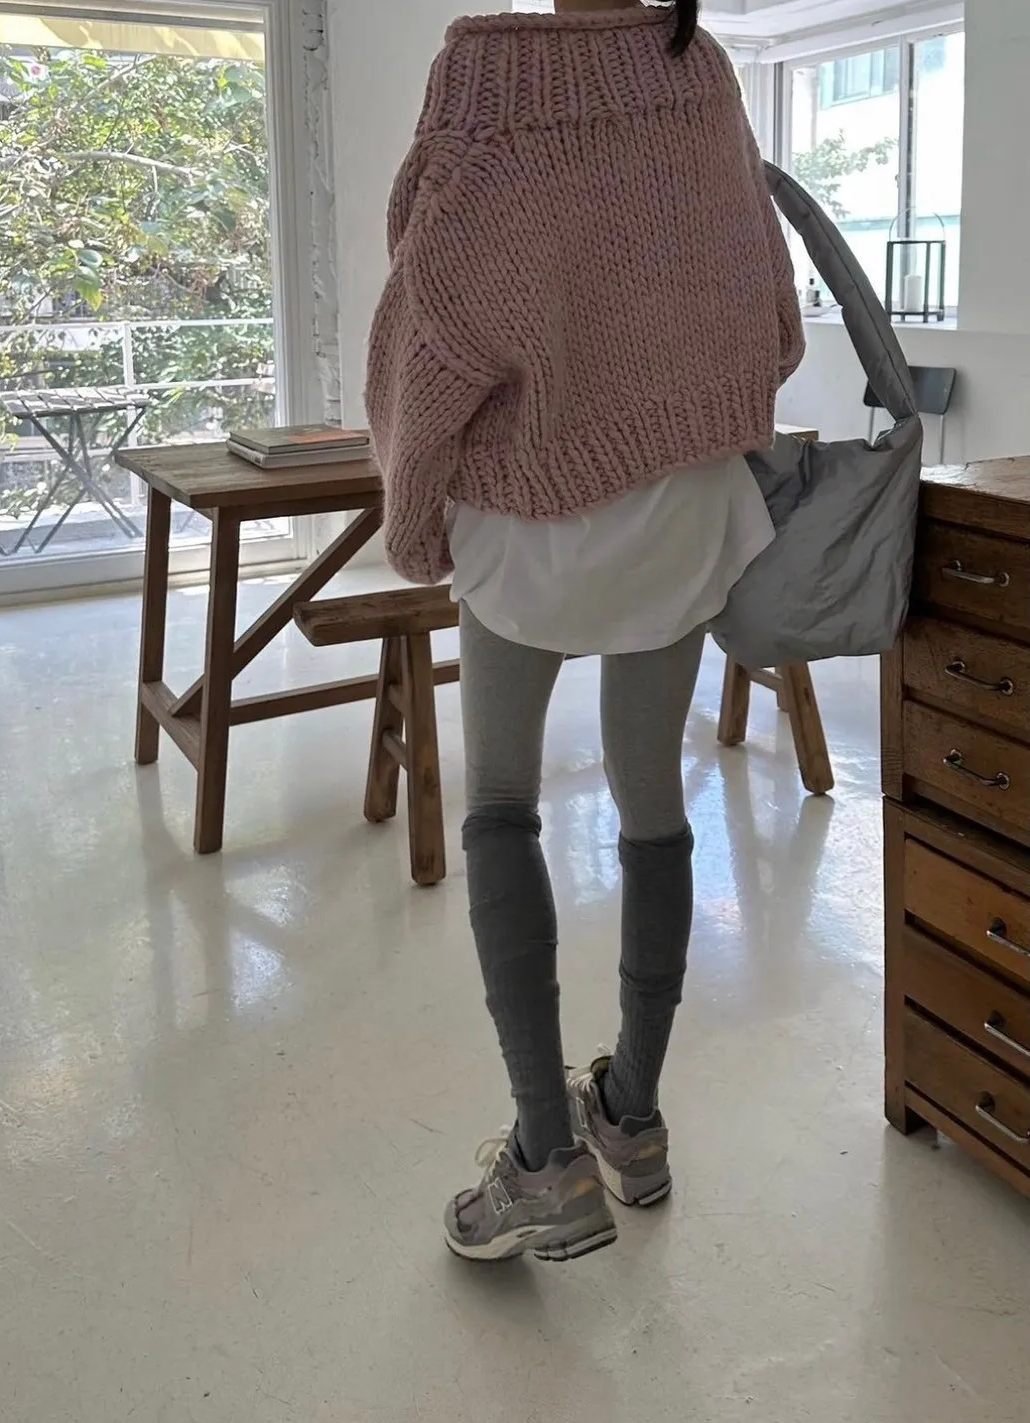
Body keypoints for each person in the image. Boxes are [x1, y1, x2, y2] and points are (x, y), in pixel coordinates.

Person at [366, 0, 804, 1262]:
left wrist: (412, 510)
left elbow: (433, 323)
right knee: (651, 801)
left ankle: (543, 1162)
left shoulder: (484, 81)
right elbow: (770, 315)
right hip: (683, 501)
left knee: (502, 805)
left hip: (529, 508)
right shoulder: (697, 69)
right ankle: (634, 1120)